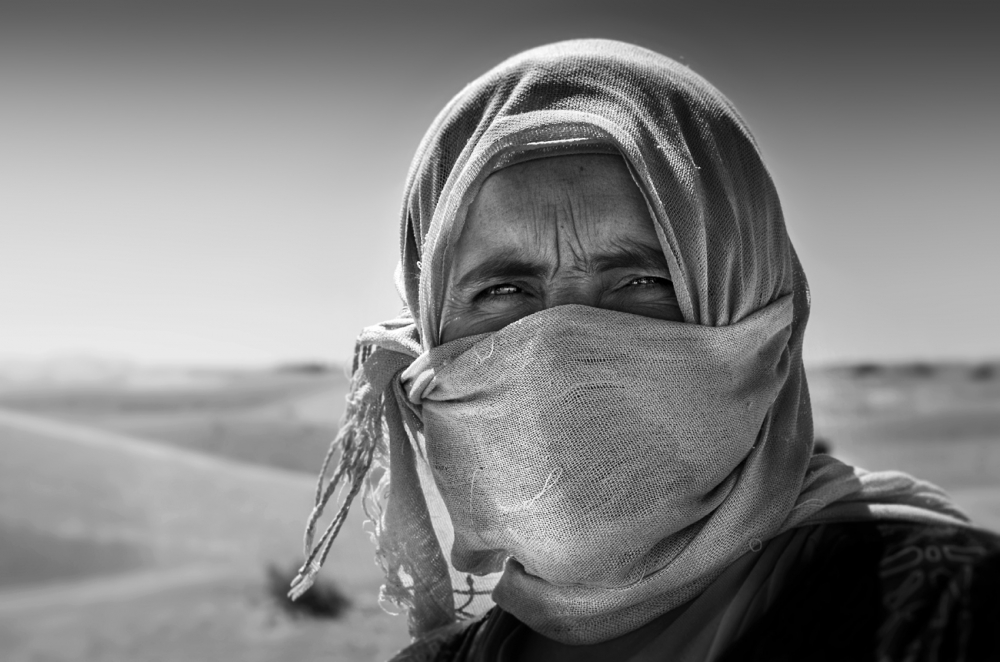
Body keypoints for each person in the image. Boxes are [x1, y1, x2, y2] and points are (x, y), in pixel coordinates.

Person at [290, 39, 1000, 661]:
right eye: (504, 290)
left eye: (642, 282)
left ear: (755, 305)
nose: (561, 349)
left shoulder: (946, 608)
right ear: (429, 332)